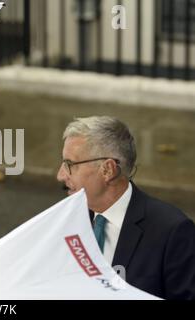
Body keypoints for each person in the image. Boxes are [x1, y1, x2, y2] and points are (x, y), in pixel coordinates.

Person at [57, 116, 195, 300]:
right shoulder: (66, 220)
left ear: (108, 170)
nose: (60, 175)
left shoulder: (172, 232)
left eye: (70, 164)